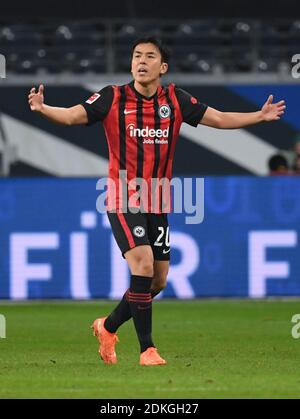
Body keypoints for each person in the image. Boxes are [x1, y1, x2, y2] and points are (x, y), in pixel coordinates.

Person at [28, 36, 286, 366]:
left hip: (157, 200)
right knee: (143, 264)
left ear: (162, 67)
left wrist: (258, 116)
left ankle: (106, 326)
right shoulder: (113, 97)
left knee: (158, 280)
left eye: (150, 56)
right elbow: (71, 116)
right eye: (137, 55)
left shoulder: (175, 100)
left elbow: (219, 119)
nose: (142, 61)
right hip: (123, 197)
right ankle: (147, 349)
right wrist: (42, 108)